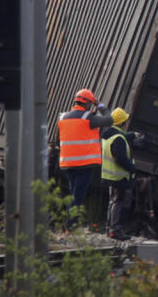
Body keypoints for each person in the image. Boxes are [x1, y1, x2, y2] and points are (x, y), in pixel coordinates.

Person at [57, 88, 112, 226]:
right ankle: (71, 226)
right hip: (84, 163)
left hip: (67, 164)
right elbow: (109, 119)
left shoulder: (62, 117)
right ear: (88, 103)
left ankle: (70, 224)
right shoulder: (88, 118)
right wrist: (99, 105)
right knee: (78, 196)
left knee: (73, 194)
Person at [102, 108, 143, 241]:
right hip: (119, 177)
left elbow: (122, 137)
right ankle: (116, 231)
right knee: (119, 203)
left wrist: (133, 135)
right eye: (125, 121)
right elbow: (120, 157)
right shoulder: (118, 138)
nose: (127, 123)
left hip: (111, 176)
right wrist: (132, 168)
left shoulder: (109, 134)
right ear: (122, 123)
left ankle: (110, 230)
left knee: (113, 202)